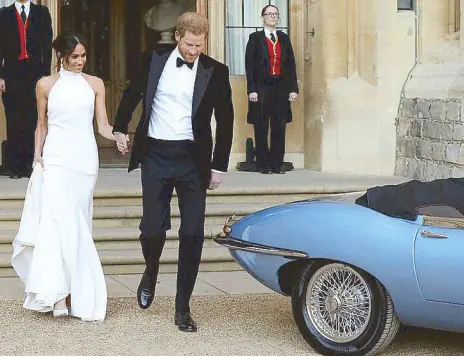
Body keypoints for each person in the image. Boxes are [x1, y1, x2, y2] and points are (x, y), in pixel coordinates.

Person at [113, 12, 234, 332]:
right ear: (177, 36)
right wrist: (120, 127)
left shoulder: (216, 71)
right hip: (155, 155)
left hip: (193, 161)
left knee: (192, 234)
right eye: (189, 43)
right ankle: (151, 269)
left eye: (199, 44)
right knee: (152, 230)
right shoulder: (152, 59)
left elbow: (226, 118)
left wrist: (219, 165)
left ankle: (183, 308)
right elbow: (133, 92)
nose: (194, 50)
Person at [10, 32, 115, 321]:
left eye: (83, 55)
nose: (81, 61)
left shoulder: (95, 84)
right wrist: (37, 156)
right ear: (62, 57)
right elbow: (41, 125)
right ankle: (56, 294)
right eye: (75, 56)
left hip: (84, 160)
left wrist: (117, 135)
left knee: (77, 224)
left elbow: (102, 125)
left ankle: (73, 294)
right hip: (55, 158)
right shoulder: (45, 84)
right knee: (56, 223)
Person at [0, 0, 53, 179]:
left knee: (34, 119)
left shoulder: (42, 12)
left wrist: (46, 74)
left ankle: (32, 164)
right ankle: (15, 167)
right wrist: (0, 76)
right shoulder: (3, 14)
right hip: (11, 74)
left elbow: (47, 45)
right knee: (14, 119)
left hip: (36, 74)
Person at [245, 4, 299, 175]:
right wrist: (251, 89)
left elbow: (290, 64)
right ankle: (263, 164)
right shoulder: (255, 38)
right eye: (269, 14)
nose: (272, 17)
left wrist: (293, 89)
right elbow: (250, 66)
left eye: (275, 14)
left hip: (280, 87)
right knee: (261, 126)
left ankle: (277, 164)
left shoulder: (284, 38)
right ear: (262, 18)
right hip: (261, 87)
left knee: (279, 126)